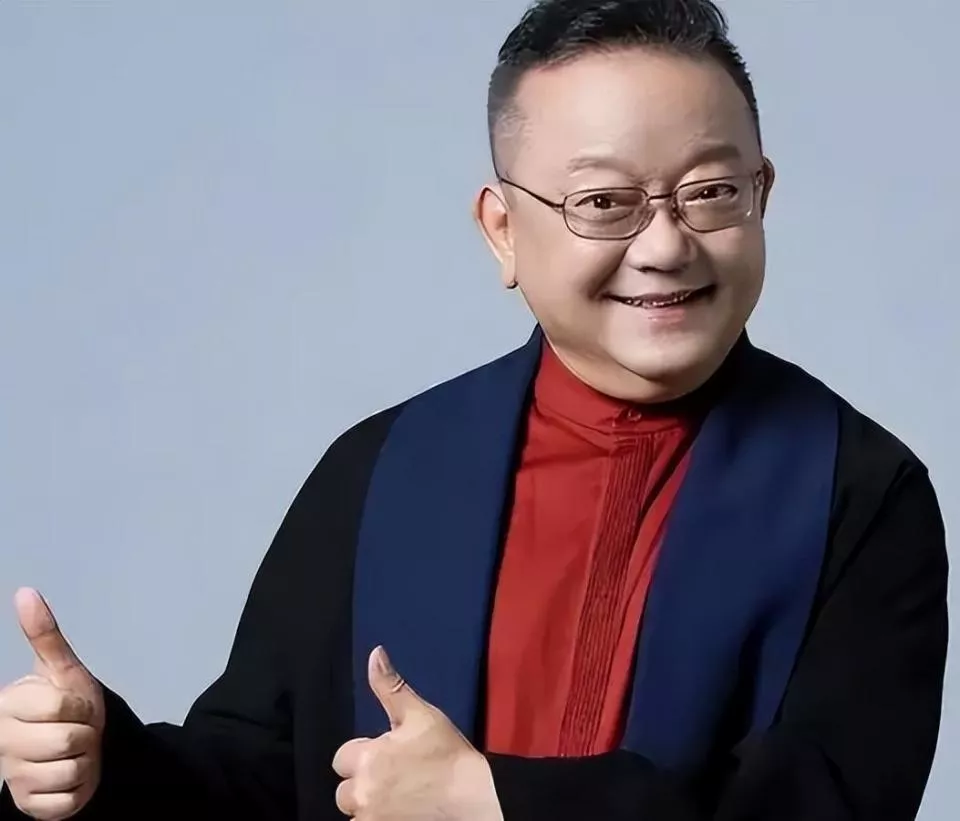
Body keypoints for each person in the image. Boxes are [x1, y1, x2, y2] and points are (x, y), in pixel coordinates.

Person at [0, 0, 948, 819]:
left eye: (709, 192)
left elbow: (828, 800)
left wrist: (497, 802)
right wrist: (105, 765)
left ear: (762, 196)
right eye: (604, 202)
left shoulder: (859, 490)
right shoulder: (387, 468)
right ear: (503, 230)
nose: (665, 245)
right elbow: (258, 774)